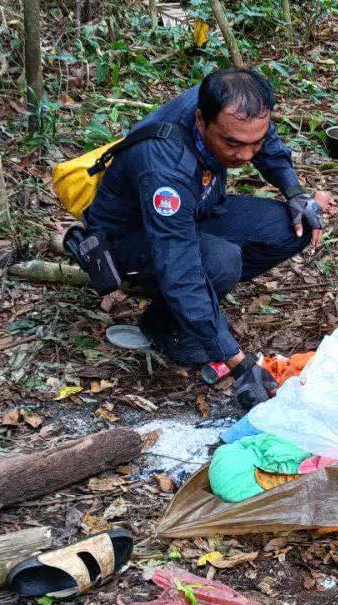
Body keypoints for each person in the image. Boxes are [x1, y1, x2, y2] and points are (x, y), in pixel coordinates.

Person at [80, 68, 324, 408]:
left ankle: (188, 310)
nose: (246, 156)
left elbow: (266, 144)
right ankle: (165, 326)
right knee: (220, 260)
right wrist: (237, 362)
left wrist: (295, 192)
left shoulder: (232, 107)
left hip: (196, 211)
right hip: (133, 238)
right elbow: (179, 266)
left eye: (253, 143)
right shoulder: (165, 167)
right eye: (232, 144)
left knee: (294, 226)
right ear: (201, 120)